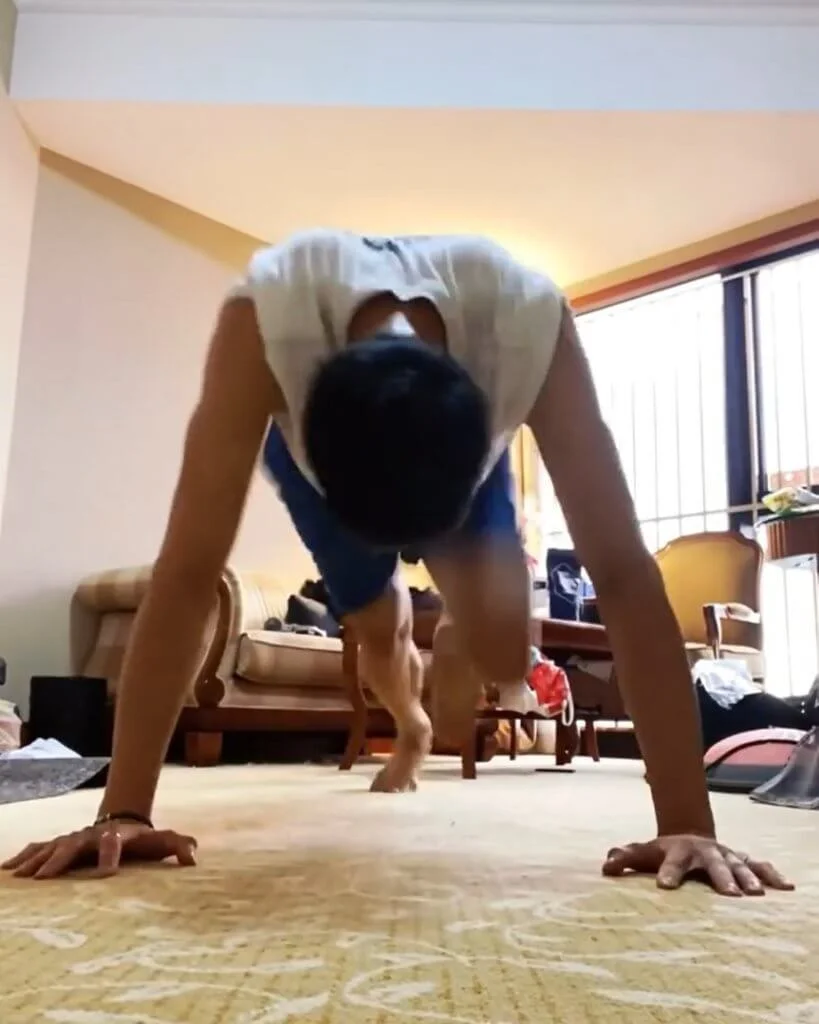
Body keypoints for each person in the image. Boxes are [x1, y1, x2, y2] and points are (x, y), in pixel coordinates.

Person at [1, 230, 793, 896]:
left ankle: (458, 635)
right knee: (378, 625)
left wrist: (686, 823)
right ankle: (409, 724)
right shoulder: (264, 320)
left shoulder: (528, 323)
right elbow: (185, 573)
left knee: (504, 653)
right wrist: (123, 811)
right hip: (322, 464)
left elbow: (620, 573)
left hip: (452, 443)